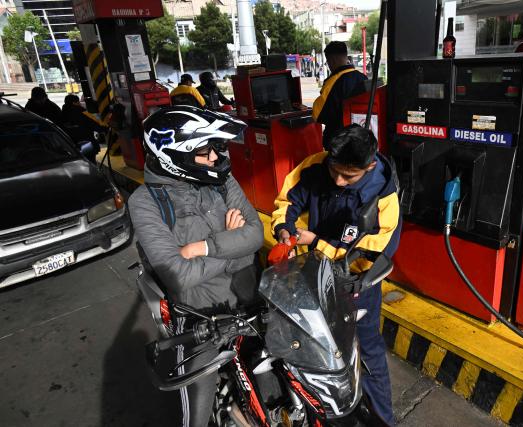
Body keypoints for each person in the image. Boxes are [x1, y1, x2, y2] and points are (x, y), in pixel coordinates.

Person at [128, 106, 263, 427]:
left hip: (252, 301)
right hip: (201, 323)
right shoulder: (145, 201)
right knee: (197, 416)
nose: (216, 158)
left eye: (217, 149)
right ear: (174, 156)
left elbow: (256, 234)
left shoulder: (221, 180)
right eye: (205, 152)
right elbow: (180, 277)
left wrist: (204, 247)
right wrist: (233, 240)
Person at [271, 124, 401, 426]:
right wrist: (284, 230)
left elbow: (368, 256)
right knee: (314, 351)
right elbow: (288, 200)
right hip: (310, 276)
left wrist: (316, 242)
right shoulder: (317, 166)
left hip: (353, 285)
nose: (338, 180)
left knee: (366, 353)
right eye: (335, 170)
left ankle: (384, 420)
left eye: (349, 176)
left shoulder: (382, 198)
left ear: (369, 166)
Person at [312, 41, 367, 149]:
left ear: (332, 60)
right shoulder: (362, 77)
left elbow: (317, 114)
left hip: (339, 144)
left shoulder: (333, 82)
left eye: (328, 61)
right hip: (360, 139)